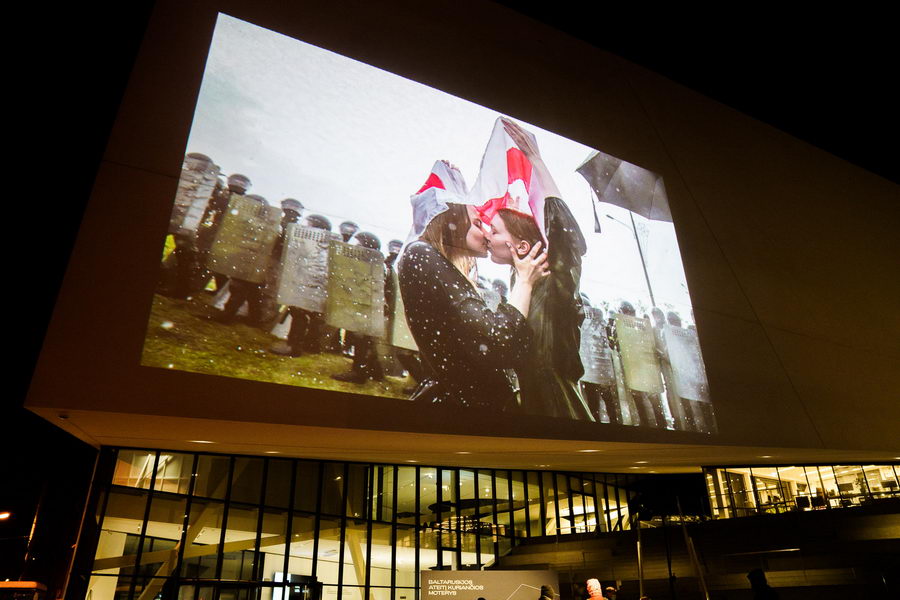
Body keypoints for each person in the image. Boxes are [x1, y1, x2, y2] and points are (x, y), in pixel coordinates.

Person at [398, 189, 549, 410]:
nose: (486, 233)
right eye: (479, 224)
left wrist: (514, 236)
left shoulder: (439, 265)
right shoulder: (421, 253)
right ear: (454, 222)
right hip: (472, 405)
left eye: (492, 229)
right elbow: (501, 339)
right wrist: (525, 281)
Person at [484, 119, 594, 421]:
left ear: (520, 246)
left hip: (559, 409)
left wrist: (536, 161)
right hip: (536, 405)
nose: (486, 235)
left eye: (494, 231)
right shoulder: (524, 278)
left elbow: (564, 233)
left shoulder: (550, 276)